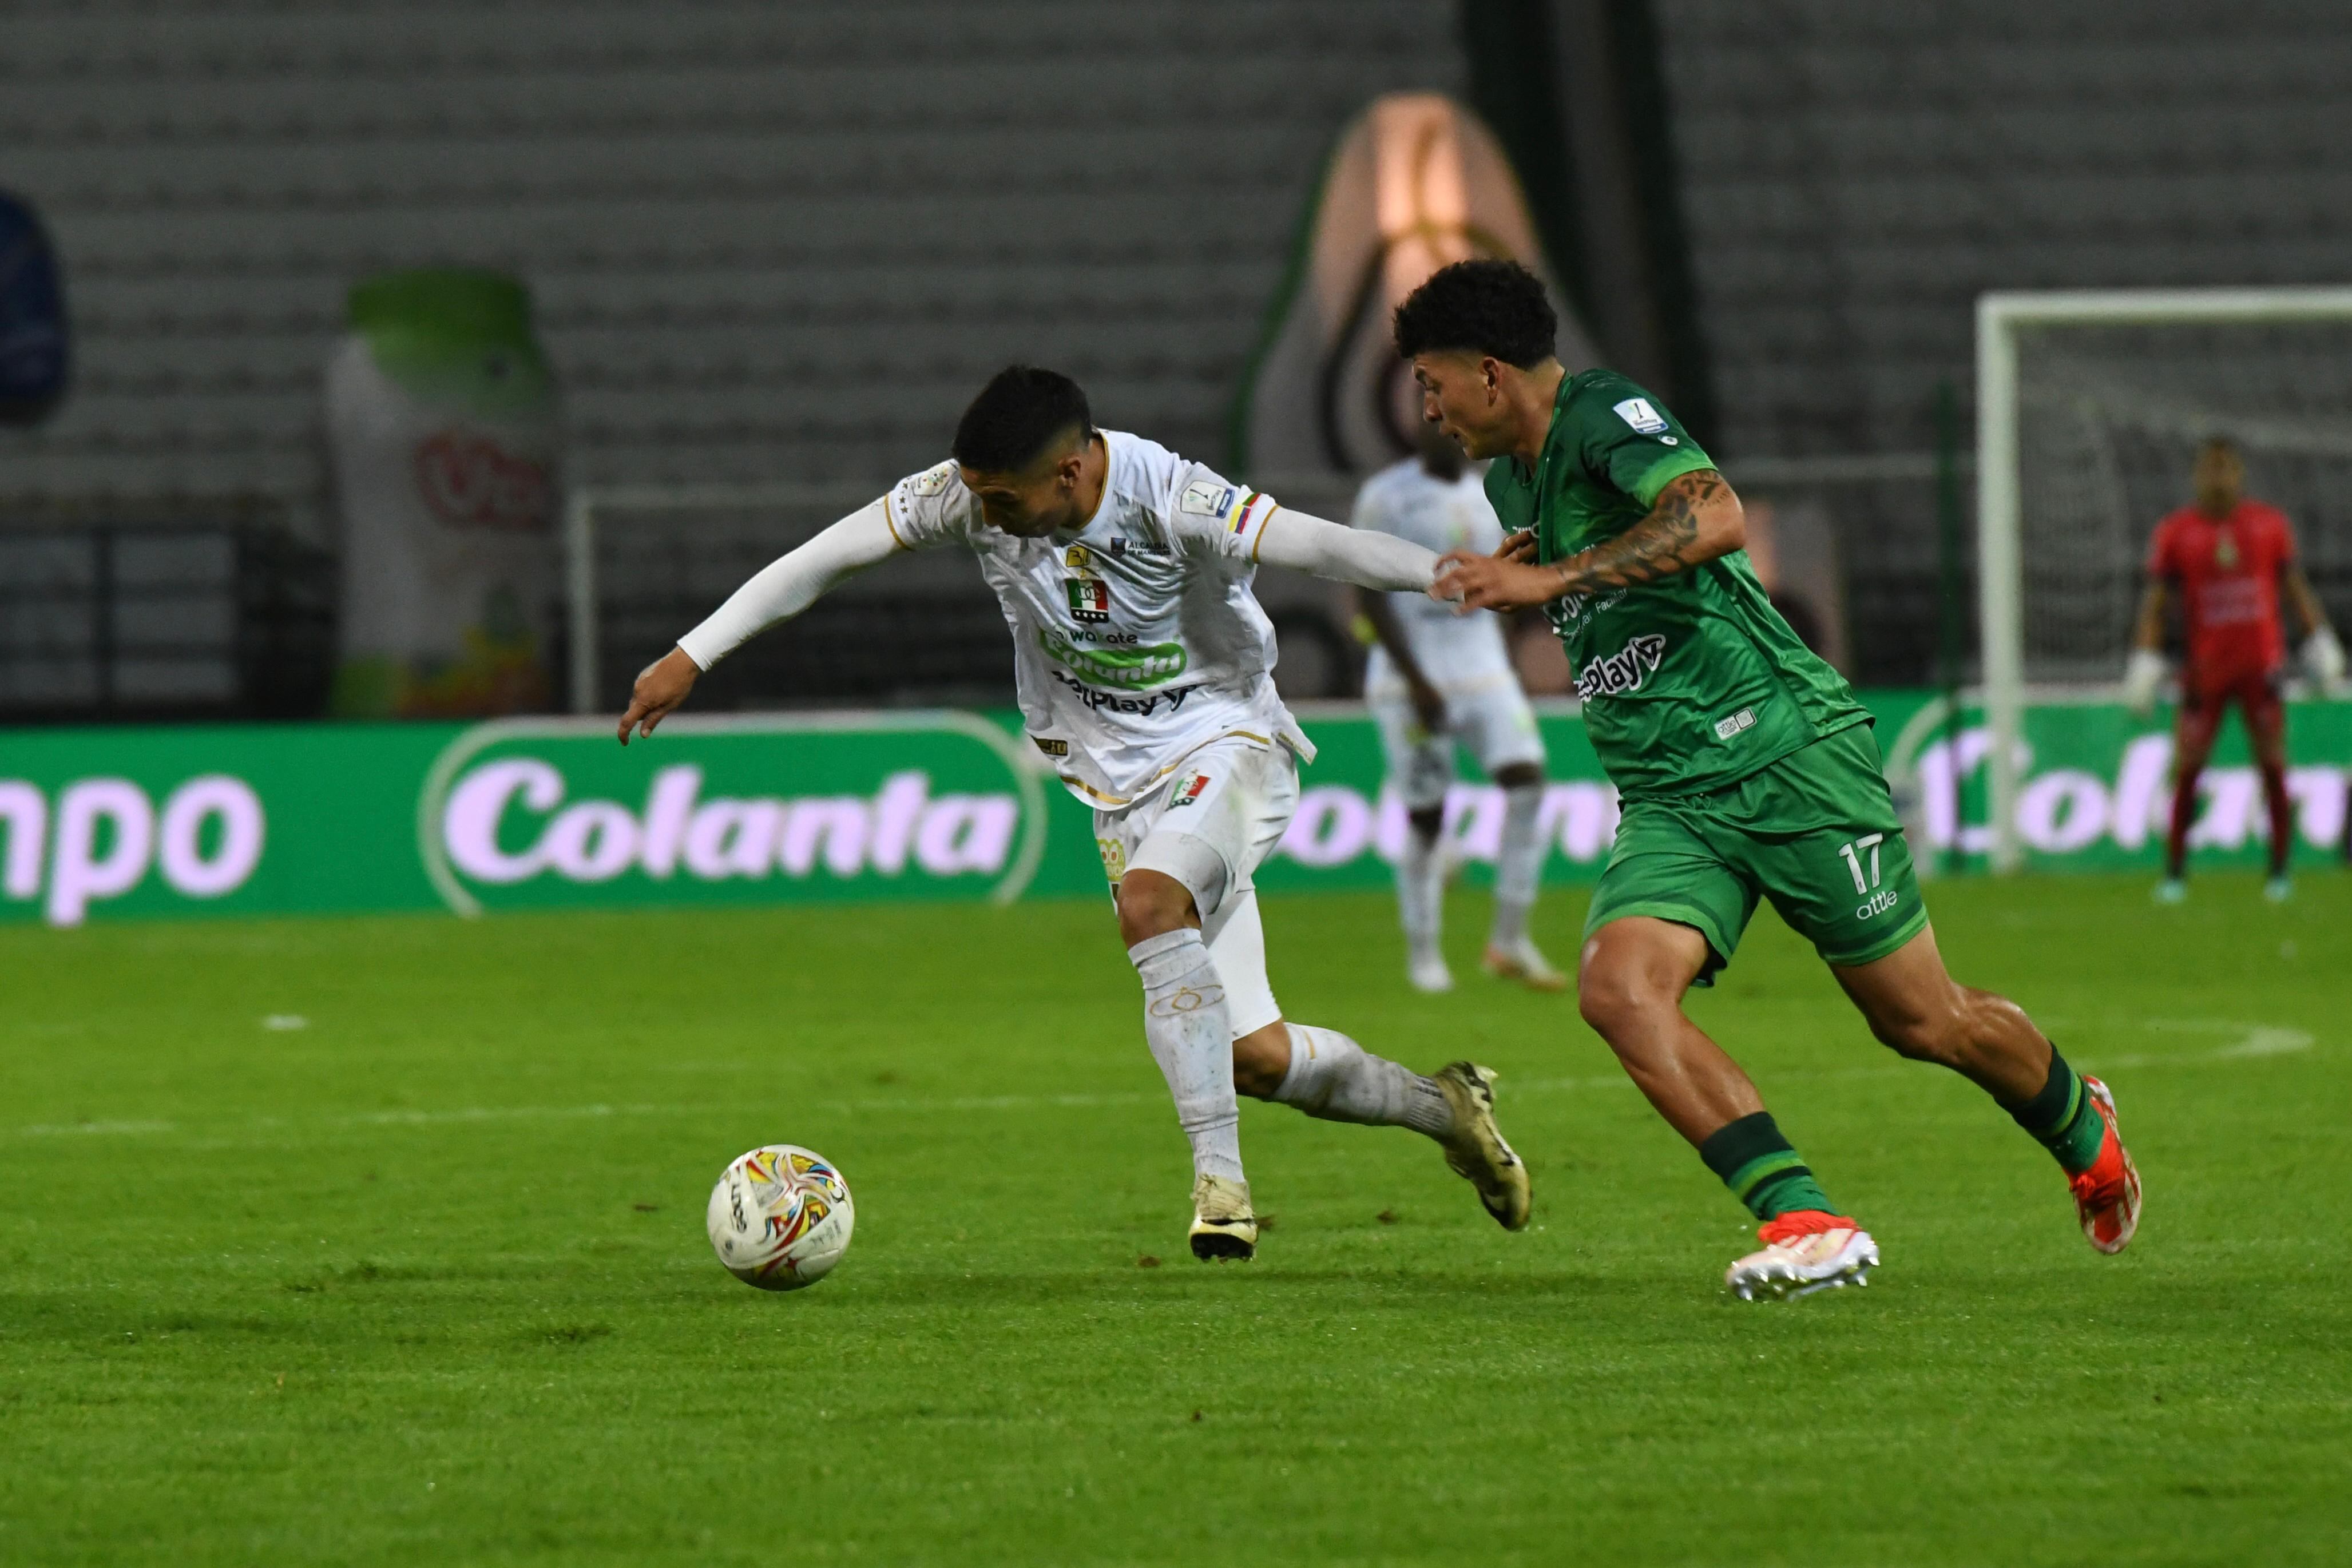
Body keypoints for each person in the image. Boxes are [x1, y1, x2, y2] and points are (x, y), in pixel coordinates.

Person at [618, 366, 1530, 1262]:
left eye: (1002, 500)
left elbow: (1317, 543)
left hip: (1227, 744)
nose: (984, 515)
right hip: (1114, 783)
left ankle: (1222, 1193)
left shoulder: (1170, 497)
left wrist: (1447, 573)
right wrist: (692, 654)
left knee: (1147, 903)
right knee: (1251, 1055)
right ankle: (1441, 1107)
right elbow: (827, 557)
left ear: (1069, 472)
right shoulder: (969, 496)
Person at [1399, 259, 2140, 1300]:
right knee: (1617, 990)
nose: (1424, 408)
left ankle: (2080, 1124)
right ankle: (1806, 1218)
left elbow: (1714, 516)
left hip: (1785, 752)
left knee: (1921, 1022)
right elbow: (1605, 558)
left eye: (1431, 383)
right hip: (1672, 796)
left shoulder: (1605, 410)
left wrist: (1555, 576)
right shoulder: (1510, 481)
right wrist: (1553, 569)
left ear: (1488, 372)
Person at [1354, 420, 1562, 994]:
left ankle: (1509, 938)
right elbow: (1367, 593)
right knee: (1427, 816)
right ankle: (1424, 952)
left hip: (1483, 667)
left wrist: (1516, 657)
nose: (1438, 433)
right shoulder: (1385, 496)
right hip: (1409, 676)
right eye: (1427, 425)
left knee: (1528, 782)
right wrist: (1415, 677)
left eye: (1448, 425)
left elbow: (1509, 576)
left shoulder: (1489, 491)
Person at [2124, 436, 2344, 903]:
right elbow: (2157, 604)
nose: (2217, 480)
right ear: (2196, 476)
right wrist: (2145, 657)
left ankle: (2280, 871)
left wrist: (2318, 637)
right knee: (2187, 771)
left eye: (2225, 470)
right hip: (2205, 673)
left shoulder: (2268, 526)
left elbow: (2292, 587)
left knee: (2272, 767)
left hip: (2260, 668)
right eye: (2209, 470)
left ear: (2238, 475)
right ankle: (2174, 874)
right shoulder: (2176, 533)